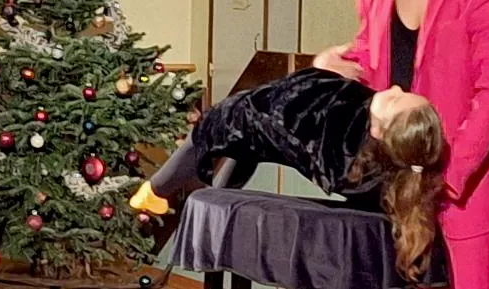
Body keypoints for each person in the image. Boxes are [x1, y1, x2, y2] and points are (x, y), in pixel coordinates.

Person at [314, 0, 489, 289]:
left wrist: (444, 178)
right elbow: (371, 55)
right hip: (390, 182)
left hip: (461, 191)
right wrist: (332, 65)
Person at [129, 67, 444, 282]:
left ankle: (155, 189)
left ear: (378, 132)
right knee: (240, 142)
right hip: (274, 131)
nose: (394, 87)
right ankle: (195, 192)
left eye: (393, 99)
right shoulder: (399, 164)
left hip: (267, 118)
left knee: (219, 124)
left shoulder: (345, 152)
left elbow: (281, 115)